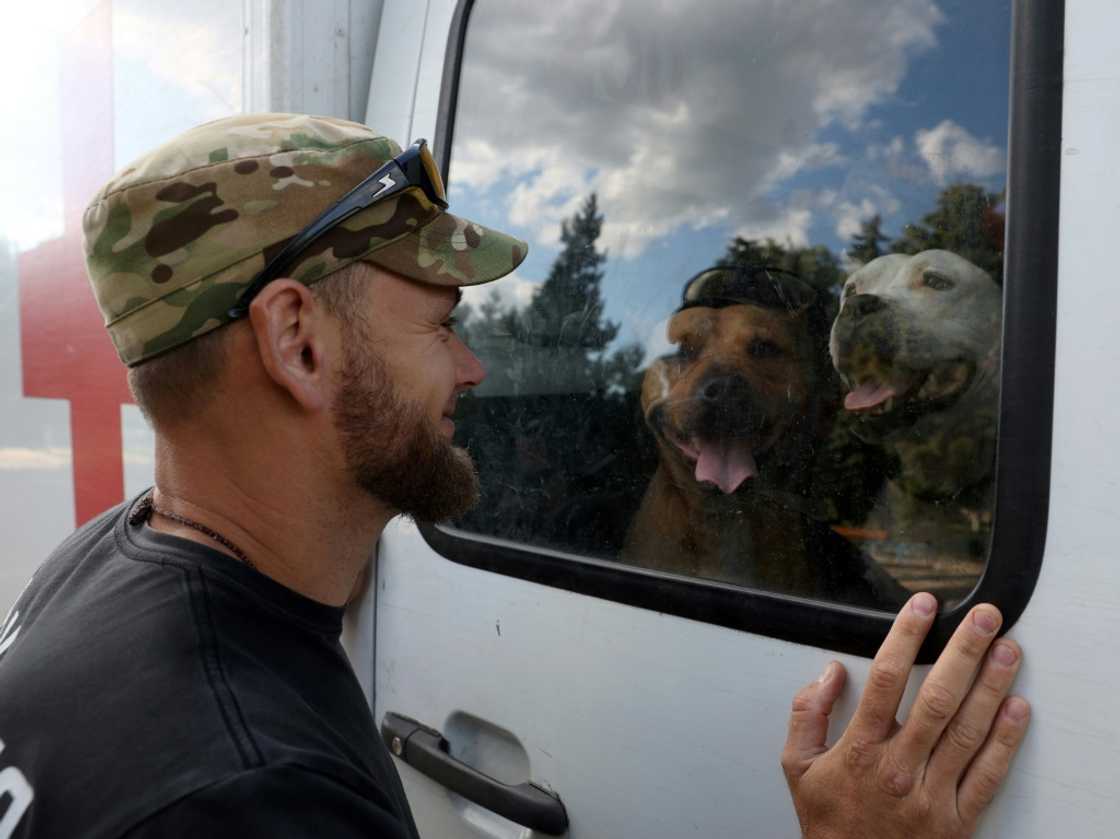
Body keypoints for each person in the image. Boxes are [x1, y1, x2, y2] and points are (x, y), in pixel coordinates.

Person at [0, 114, 1029, 838]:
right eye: (441, 325)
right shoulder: (248, 795)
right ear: (297, 344)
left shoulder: (102, 562)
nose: (475, 367)